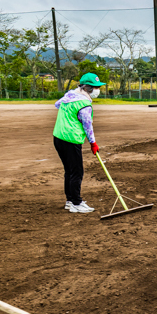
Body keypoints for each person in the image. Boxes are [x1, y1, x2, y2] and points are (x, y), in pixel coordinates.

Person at [54, 72, 106, 213]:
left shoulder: (69, 96)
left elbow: (57, 104)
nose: (97, 90)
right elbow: (87, 126)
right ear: (88, 88)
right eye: (95, 87)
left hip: (58, 137)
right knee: (77, 171)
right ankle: (76, 203)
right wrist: (93, 143)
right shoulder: (84, 104)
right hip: (71, 140)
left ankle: (70, 200)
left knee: (69, 171)